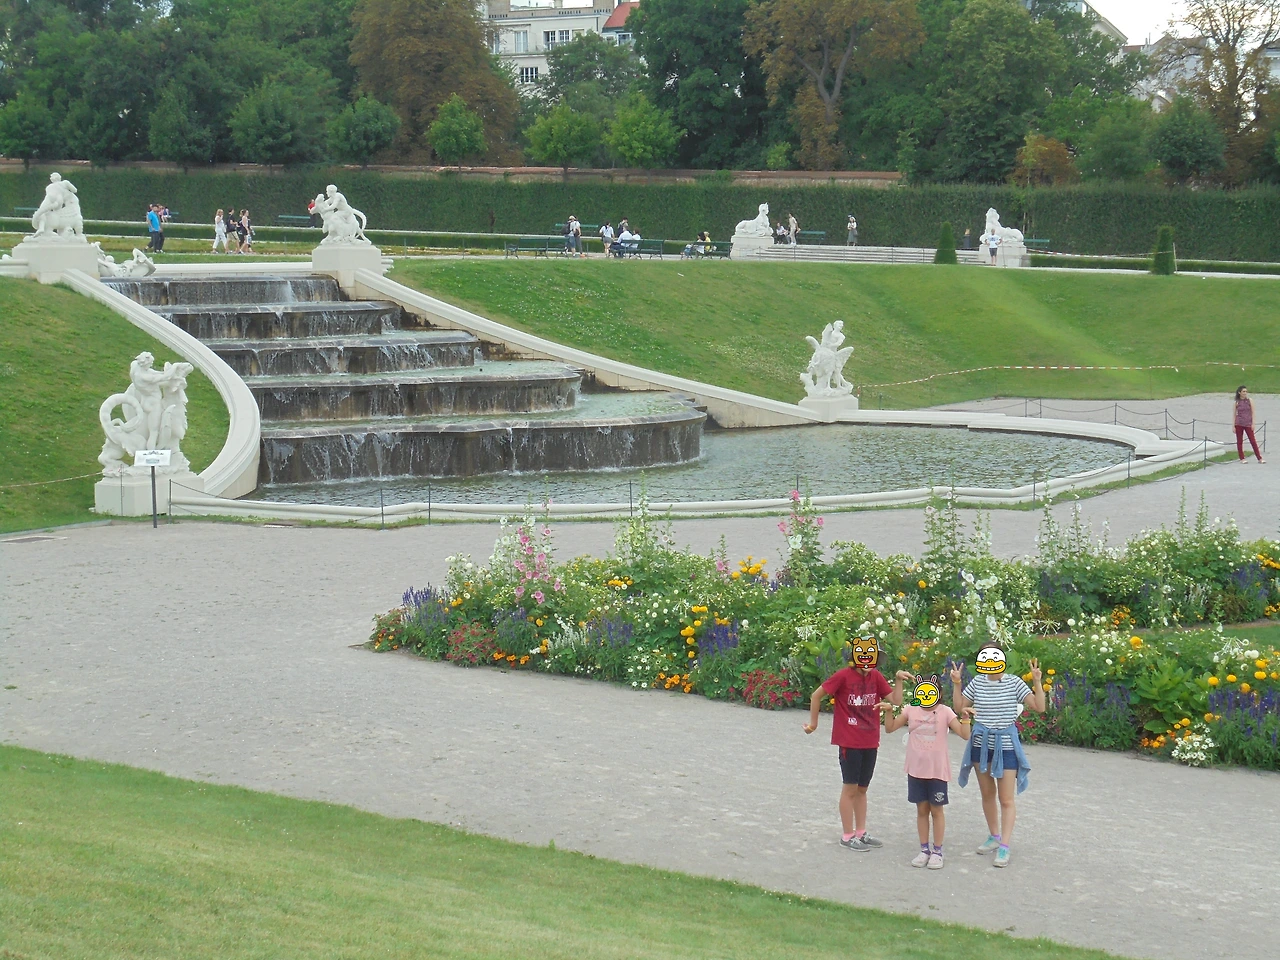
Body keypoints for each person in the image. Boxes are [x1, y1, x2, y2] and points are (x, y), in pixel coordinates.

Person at [950, 645, 1045, 868]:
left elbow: (1039, 707)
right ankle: (994, 835)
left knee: (1006, 798)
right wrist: (957, 683)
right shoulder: (978, 682)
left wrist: (1037, 681)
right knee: (987, 794)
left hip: (1006, 745)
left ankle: (1005, 845)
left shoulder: (1014, 682)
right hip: (981, 744)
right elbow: (959, 707)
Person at [802, 637, 899, 851]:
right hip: (849, 741)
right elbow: (816, 696)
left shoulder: (876, 676)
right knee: (850, 788)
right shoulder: (843, 676)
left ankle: (861, 832)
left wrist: (899, 680)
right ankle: (847, 835)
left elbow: (896, 700)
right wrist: (813, 724)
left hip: (870, 741)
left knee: (862, 789)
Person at [882, 672, 971, 870]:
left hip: (937, 770)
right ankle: (924, 850)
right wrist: (888, 711)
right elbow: (890, 728)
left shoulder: (945, 711)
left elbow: (964, 734)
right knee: (921, 810)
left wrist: (966, 718)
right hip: (916, 770)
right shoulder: (911, 709)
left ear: (938, 692)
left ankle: (937, 851)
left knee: (937, 810)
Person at [1234, 386, 1265, 463]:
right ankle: (1242, 458)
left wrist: (1253, 423)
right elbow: (1234, 414)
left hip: (1248, 423)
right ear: (1239, 392)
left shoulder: (1249, 400)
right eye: (1243, 391)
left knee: (1253, 441)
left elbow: (1253, 412)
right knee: (1239, 441)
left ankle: (1259, 458)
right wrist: (1233, 425)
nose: (1245, 393)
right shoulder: (1237, 402)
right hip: (1239, 423)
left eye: (1246, 391)